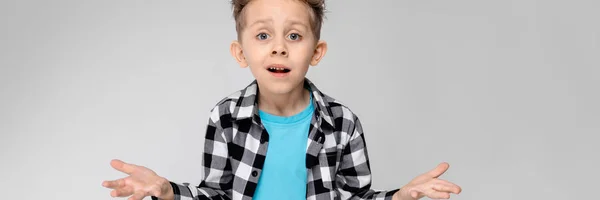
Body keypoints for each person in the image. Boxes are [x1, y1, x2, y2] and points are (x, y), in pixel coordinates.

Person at [102, 0, 462, 199]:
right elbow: (216, 196)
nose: (278, 46)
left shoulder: (343, 122)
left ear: (316, 52)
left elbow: (357, 199)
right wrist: (167, 192)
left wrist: (399, 198)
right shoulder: (225, 118)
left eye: (293, 35)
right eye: (262, 35)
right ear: (240, 53)